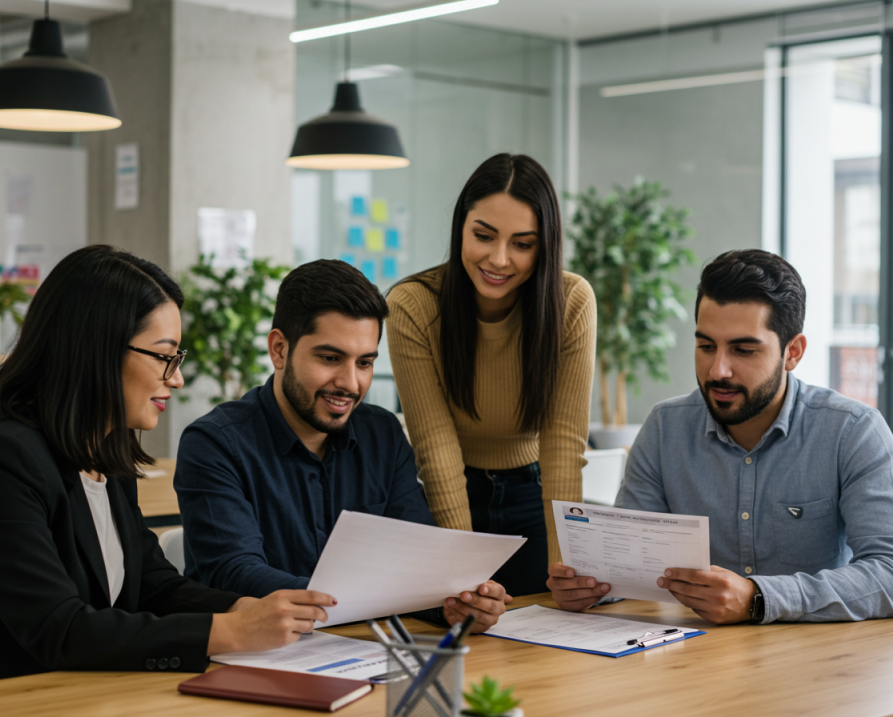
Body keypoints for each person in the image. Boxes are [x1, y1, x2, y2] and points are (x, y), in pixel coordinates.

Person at [0, 246, 336, 695]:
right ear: (96, 351)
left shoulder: (106, 454)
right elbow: (60, 629)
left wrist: (247, 608)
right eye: (164, 356)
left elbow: (153, 585)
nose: (175, 378)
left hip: (71, 696)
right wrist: (231, 631)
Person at [548, 249, 893, 624]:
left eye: (743, 350)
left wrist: (759, 598)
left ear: (792, 352)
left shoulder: (852, 431)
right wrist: (593, 587)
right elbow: (628, 567)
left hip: (818, 664)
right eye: (706, 346)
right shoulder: (665, 429)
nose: (718, 370)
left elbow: (888, 572)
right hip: (696, 662)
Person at [174, 259, 509, 632]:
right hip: (257, 656)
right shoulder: (214, 443)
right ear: (279, 349)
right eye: (330, 358)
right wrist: (379, 596)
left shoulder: (382, 434)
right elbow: (235, 573)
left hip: (369, 652)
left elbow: (418, 567)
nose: (350, 383)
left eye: (364, 362)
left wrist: (453, 605)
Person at [386, 153, 596, 597]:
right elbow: (435, 448)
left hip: (533, 497)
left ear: (545, 245)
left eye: (522, 244)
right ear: (461, 225)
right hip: (448, 498)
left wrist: (565, 568)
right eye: (483, 236)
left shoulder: (571, 301)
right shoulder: (413, 306)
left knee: (548, 634)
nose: (499, 259)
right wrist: (463, 572)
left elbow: (563, 445)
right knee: (466, 627)